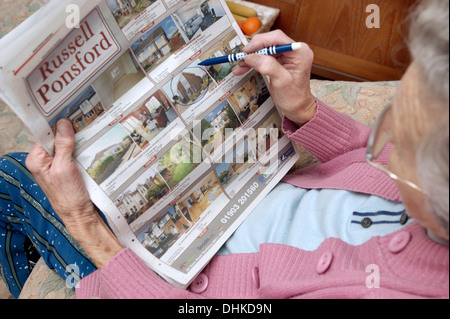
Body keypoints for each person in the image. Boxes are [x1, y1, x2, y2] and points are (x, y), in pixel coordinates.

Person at [0, 0, 448, 298]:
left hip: (162, 274)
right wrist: (307, 109)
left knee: (12, 176)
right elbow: (376, 166)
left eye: (404, 132)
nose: (383, 135)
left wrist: (83, 225)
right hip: (254, 182)